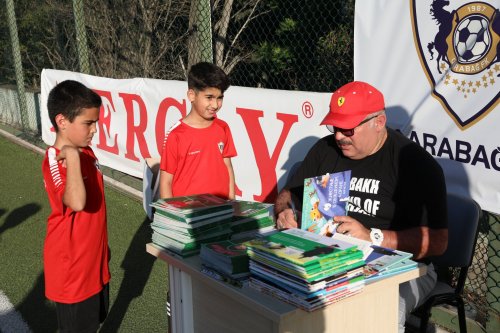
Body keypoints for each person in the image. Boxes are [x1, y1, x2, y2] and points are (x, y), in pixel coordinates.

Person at [274, 81, 448, 332]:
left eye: (348, 129)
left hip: (404, 266)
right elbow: (289, 193)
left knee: (376, 313)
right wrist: (284, 211)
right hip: (331, 255)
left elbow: (438, 242)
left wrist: (372, 236)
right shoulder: (325, 149)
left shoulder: (415, 164)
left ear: (378, 122)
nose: (338, 136)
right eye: (335, 126)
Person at [42, 80, 110, 333]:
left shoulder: (87, 153)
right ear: (62, 121)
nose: (94, 130)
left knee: (92, 326)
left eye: (96, 122)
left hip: (95, 264)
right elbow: (78, 202)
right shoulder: (55, 159)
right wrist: (70, 155)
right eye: (88, 123)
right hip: (73, 272)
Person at [159, 61, 237, 199]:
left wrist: (232, 202)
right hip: (188, 213)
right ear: (191, 95)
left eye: (220, 98)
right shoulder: (176, 135)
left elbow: (228, 168)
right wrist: (173, 217)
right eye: (209, 97)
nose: (215, 104)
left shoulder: (223, 127)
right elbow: (166, 182)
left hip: (220, 208)